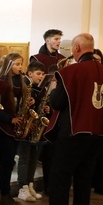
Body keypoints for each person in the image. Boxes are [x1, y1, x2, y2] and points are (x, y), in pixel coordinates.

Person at [30, 33, 103, 205]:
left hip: (73, 134)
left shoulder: (70, 72)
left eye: (72, 48)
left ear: (77, 48)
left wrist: (52, 92)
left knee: (59, 183)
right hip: (98, 136)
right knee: (83, 184)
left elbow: (58, 102)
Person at [30, 28, 66, 194]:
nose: (59, 42)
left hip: (58, 104)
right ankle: (45, 184)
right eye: (56, 39)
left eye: (59, 39)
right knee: (43, 149)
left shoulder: (62, 59)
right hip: (41, 102)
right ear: (48, 40)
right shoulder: (37, 58)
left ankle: (55, 183)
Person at [0, 53, 31, 205]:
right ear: (8, 65)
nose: (20, 67)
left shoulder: (21, 82)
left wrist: (28, 102)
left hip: (16, 126)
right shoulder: (1, 82)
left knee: (10, 162)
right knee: (7, 162)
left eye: (21, 64)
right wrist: (10, 119)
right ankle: (4, 194)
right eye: (16, 64)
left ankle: (6, 195)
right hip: (5, 125)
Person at [15, 60, 48, 202]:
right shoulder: (26, 86)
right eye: (38, 74)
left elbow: (44, 104)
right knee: (24, 159)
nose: (41, 77)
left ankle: (30, 184)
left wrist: (47, 108)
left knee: (34, 159)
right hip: (26, 127)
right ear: (30, 74)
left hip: (37, 127)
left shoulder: (43, 89)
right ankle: (22, 187)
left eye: (42, 74)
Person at [91, 49, 103, 196]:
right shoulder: (87, 76)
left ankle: (100, 184)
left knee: (101, 155)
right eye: (93, 59)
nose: (96, 62)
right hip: (89, 122)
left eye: (98, 59)